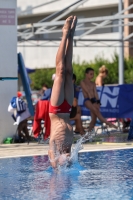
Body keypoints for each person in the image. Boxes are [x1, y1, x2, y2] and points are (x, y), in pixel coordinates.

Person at [48, 15, 77, 169]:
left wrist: (56, 167)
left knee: (60, 71)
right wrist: (69, 159)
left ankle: (64, 33)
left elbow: (52, 157)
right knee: (69, 72)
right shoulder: (67, 149)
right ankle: (71, 36)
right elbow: (70, 158)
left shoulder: (53, 151)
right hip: (66, 109)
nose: (66, 156)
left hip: (57, 109)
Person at [80, 67, 117, 134]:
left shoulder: (93, 83)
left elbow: (95, 93)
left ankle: (87, 135)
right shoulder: (83, 82)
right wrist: (93, 101)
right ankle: (108, 123)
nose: (92, 76)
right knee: (97, 112)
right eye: (91, 74)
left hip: (93, 100)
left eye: (93, 74)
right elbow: (87, 91)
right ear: (86, 74)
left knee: (94, 119)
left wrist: (98, 101)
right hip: (87, 100)